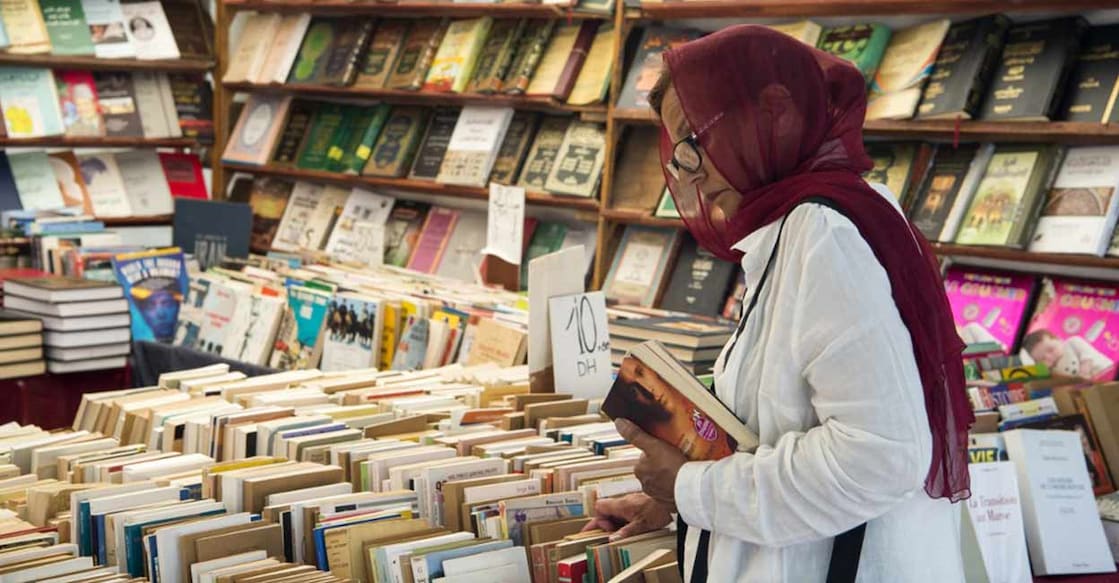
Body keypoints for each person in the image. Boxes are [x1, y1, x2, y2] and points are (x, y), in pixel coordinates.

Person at [585, 25, 973, 582]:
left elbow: (879, 458)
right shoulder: (811, 217)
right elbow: (780, 418)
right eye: (679, 154)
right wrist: (673, 504)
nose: (691, 174)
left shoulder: (826, 235)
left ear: (773, 112)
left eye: (694, 142)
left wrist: (691, 488)